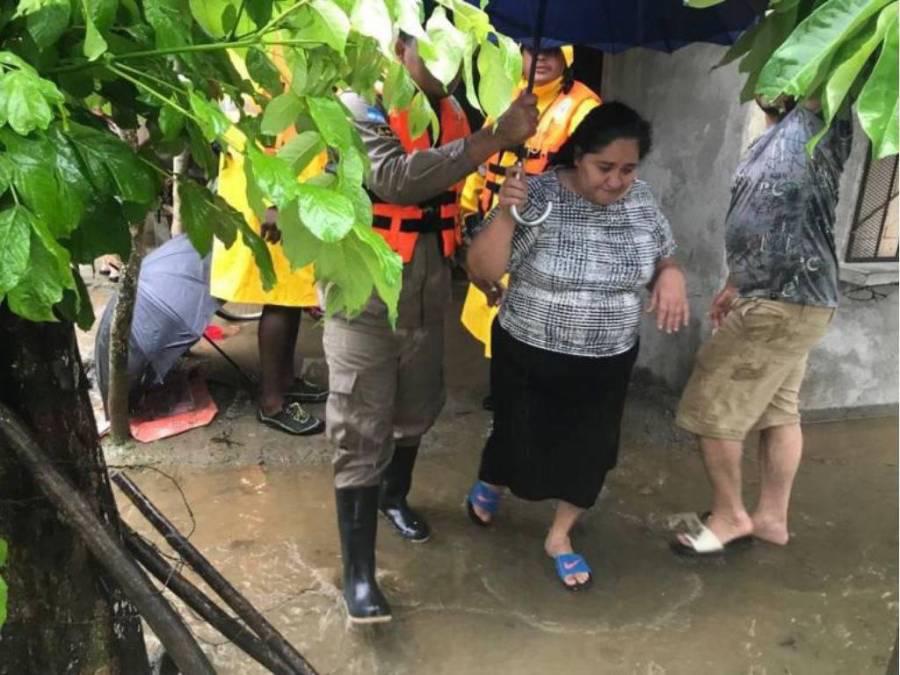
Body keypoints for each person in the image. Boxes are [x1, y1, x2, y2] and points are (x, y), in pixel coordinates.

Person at [326, 32, 538, 623]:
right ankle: (359, 573)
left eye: (457, 54)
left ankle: (394, 497)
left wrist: (480, 262)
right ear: (400, 48)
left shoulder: (453, 113)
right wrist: (494, 136)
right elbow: (395, 179)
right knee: (360, 421)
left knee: (419, 402)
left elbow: (459, 197)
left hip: (426, 283)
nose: (448, 64)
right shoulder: (359, 104)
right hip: (364, 286)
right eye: (432, 48)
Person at [464, 103, 690, 590]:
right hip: (529, 347)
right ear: (580, 155)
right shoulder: (537, 193)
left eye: (628, 169)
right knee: (515, 433)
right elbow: (482, 270)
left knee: (591, 450)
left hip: (608, 355)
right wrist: (505, 212)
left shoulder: (642, 200)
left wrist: (670, 275)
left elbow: (664, 251)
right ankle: (493, 479)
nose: (616, 181)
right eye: (604, 167)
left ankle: (560, 537)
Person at [671, 96, 851, 556]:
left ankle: (730, 515)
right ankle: (771, 518)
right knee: (779, 410)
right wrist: (735, 281)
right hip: (783, 298)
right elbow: (765, 219)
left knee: (709, 409)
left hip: (783, 303)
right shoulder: (770, 137)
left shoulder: (814, 124)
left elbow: (815, 62)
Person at [460, 44, 601, 410]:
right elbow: (481, 161)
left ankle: (531, 392)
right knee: (495, 311)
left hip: (546, 235)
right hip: (498, 226)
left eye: (553, 52)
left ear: (567, 58)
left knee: (535, 318)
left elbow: (587, 173)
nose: (541, 59)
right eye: (532, 50)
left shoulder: (584, 107)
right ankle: (504, 388)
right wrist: (468, 211)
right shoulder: (503, 96)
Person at [211, 54, 327, 437]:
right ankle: (273, 400)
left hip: (289, 188)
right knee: (279, 296)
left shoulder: (283, 44)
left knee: (291, 294)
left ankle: (286, 379)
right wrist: (274, 203)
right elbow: (264, 135)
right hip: (272, 193)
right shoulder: (266, 52)